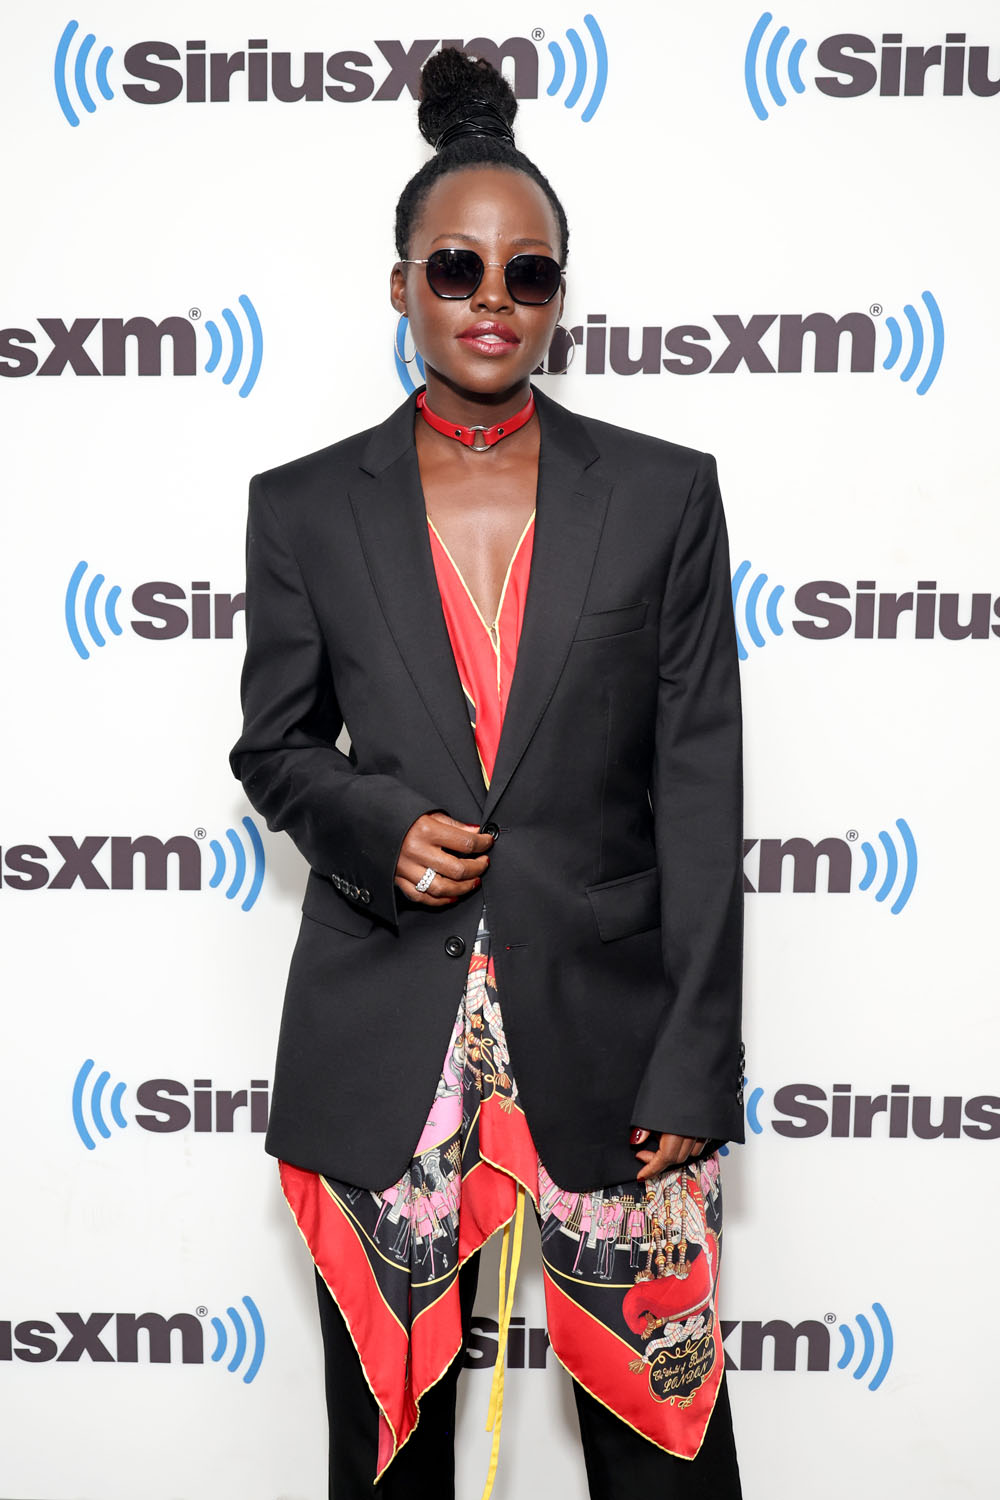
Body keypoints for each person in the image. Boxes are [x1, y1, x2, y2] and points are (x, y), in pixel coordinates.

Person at [231, 48, 745, 1500]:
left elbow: (701, 788)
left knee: (667, 1451)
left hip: (612, 1041)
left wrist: (697, 1055)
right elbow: (274, 747)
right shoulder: (303, 507)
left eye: (530, 274)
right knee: (386, 1460)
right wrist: (376, 824)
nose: (492, 301)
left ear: (559, 297)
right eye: (456, 268)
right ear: (401, 284)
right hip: (383, 1034)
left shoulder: (662, 494)